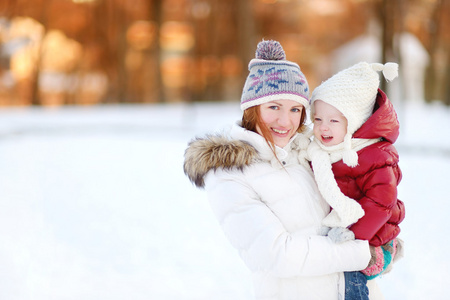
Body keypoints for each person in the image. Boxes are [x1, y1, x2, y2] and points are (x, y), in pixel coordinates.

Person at [183, 40, 372, 300]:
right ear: (252, 109)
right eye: (274, 107)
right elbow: (278, 255)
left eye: (295, 109)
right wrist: (361, 252)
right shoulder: (229, 174)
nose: (285, 122)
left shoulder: (304, 154)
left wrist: (382, 238)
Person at [306, 62, 406, 299]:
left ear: (354, 122)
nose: (323, 128)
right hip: (348, 228)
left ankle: (384, 254)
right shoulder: (322, 151)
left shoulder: (375, 156)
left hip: (374, 235)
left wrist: (355, 236)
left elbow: (382, 204)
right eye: (318, 119)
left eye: (334, 121)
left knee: (350, 274)